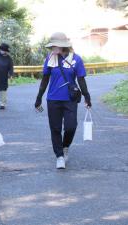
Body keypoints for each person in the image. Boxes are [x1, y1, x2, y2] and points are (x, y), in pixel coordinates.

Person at [34, 32, 92, 169]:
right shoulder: (50, 59)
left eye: (54, 46)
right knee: (55, 128)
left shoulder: (76, 59)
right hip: (53, 99)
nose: (52, 48)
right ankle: (59, 156)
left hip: (70, 99)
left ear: (62, 46)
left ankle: (65, 146)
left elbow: (81, 79)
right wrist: (38, 98)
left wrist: (87, 96)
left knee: (71, 127)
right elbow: (44, 80)